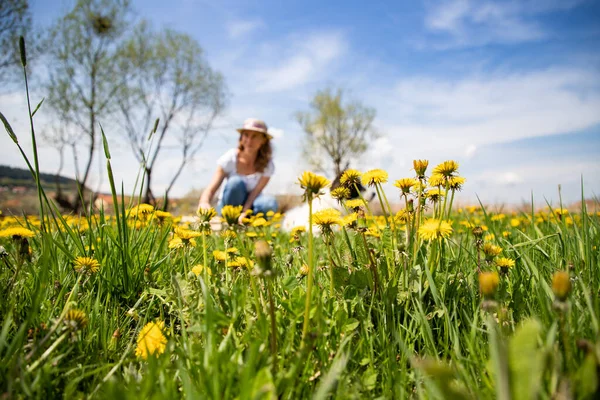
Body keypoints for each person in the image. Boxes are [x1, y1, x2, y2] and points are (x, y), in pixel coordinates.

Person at [198, 118, 278, 223]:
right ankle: (229, 222)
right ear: (241, 137)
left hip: (252, 207)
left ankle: (253, 227)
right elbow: (211, 188)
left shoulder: (268, 165)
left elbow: (254, 194)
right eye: (246, 135)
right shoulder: (230, 157)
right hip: (228, 205)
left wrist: (245, 212)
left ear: (263, 140)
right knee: (235, 183)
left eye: (254, 136)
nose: (249, 140)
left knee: (269, 203)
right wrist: (204, 202)